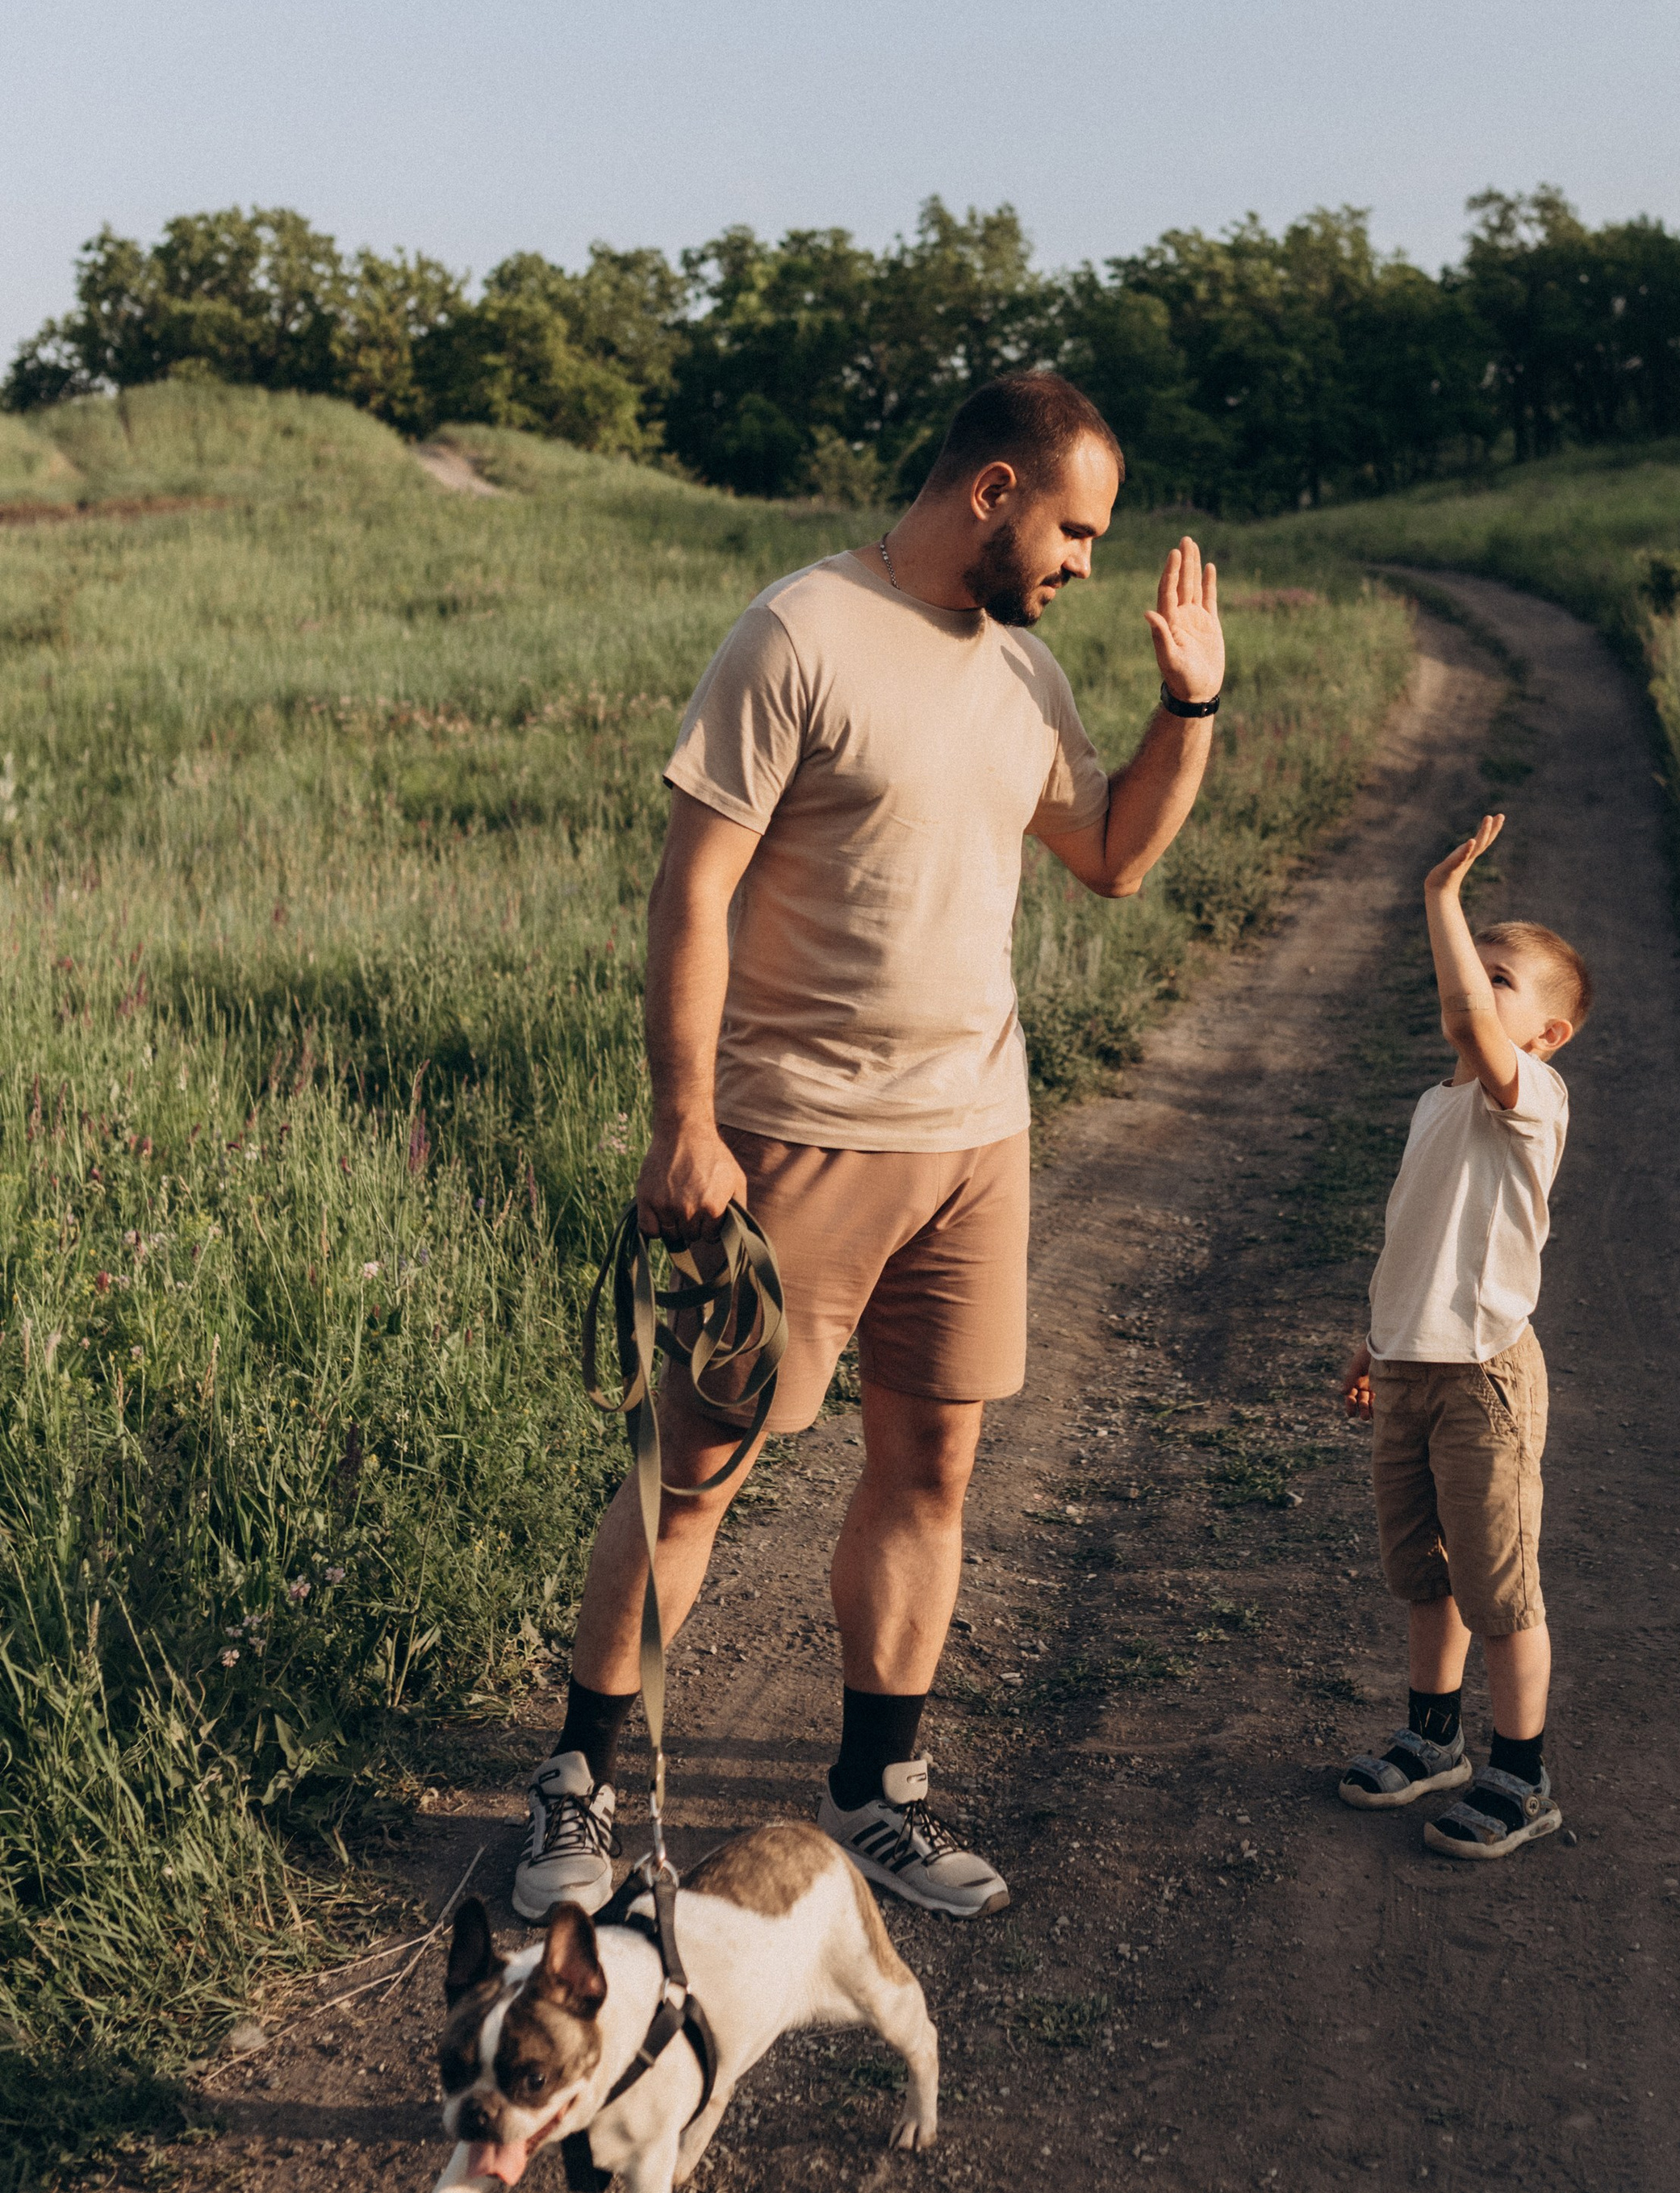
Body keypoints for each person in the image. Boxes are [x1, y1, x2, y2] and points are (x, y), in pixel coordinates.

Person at [513, 371, 1227, 1924]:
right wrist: (682, 1123)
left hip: (976, 1139)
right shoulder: (799, 636)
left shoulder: (1022, 672)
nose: (1085, 564)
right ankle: (574, 1781)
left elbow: (1109, 857)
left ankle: (876, 1793)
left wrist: (1191, 707)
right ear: (992, 492)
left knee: (934, 1462)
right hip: (791, 1147)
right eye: (1074, 528)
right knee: (695, 1474)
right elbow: (690, 891)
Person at [1337, 812, 1590, 1861]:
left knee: (1501, 1586)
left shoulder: (1527, 1098)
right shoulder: (1437, 1106)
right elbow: (1416, 1235)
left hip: (1485, 1379)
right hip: (1412, 1369)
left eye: (1501, 980)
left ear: (1546, 1035)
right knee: (1424, 1572)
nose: (1476, 992)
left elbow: (1465, 1020)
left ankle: (1522, 1775)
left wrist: (1443, 900)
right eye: (1473, 970)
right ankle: (1432, 1737)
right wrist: (1375, 1339)